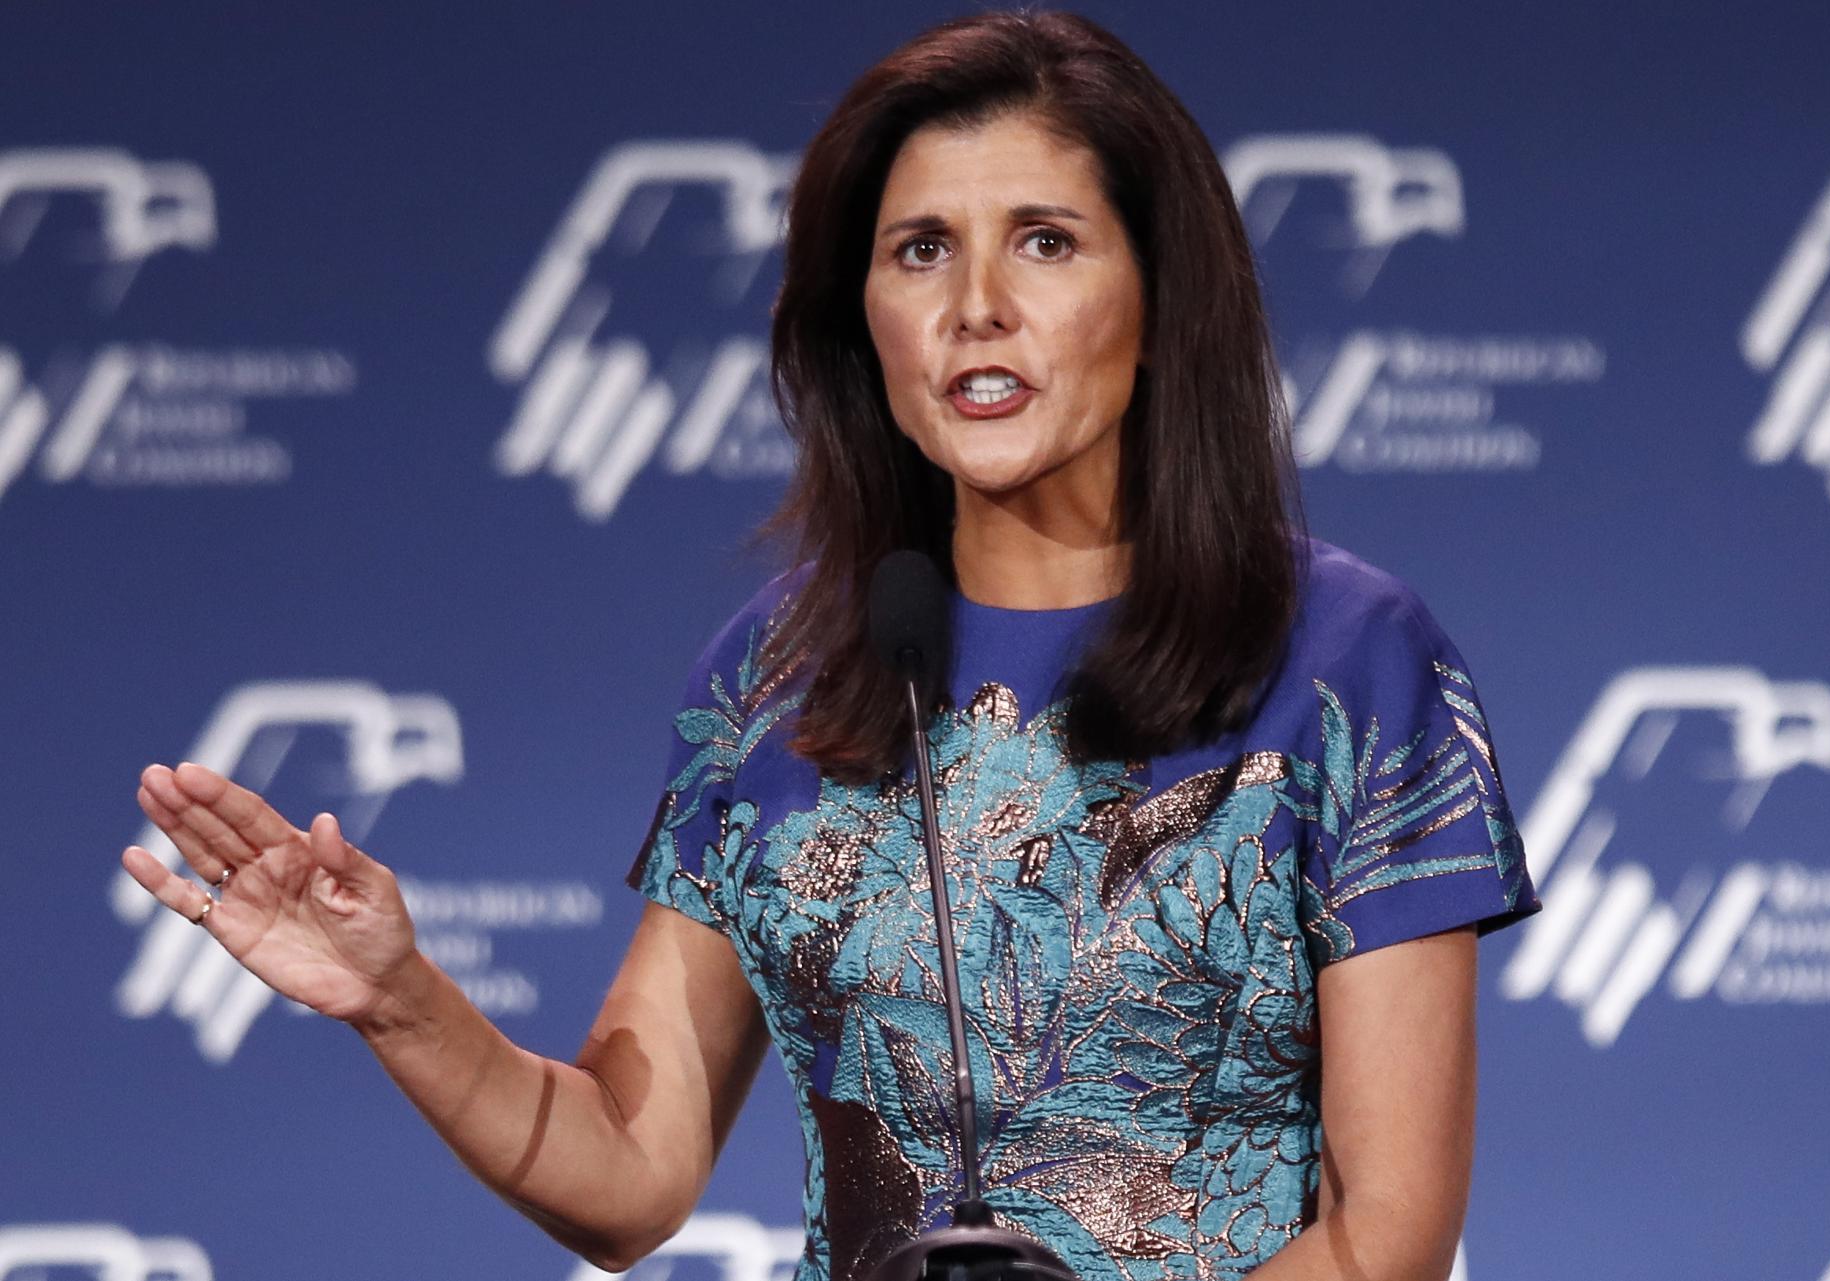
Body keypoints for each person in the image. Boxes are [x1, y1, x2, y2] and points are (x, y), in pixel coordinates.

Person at [119, 11, 1540, 1281]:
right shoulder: (780, 671)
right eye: (922, 250)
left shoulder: (1346, 660)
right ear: (865, 323)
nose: (976, 305)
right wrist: (400, 1000)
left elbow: (1386, 1237)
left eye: (1045, 240)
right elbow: (629, 1173)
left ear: (1161, 301)